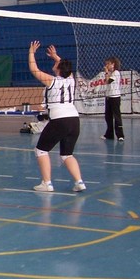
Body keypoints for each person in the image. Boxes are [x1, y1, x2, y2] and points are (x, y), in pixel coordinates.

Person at [28, 41, 86, 193]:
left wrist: (31, 52)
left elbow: (34, 69)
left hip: (60, 120)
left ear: (59, 69)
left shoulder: (52, 81)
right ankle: (79, 182)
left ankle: (47, 183)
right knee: (67, 154)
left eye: (57, 64)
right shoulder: (71, 79)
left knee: (41, 150)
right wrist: (55, 56)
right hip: (74, 120)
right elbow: (66, 68)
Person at [102, 56, 125, 141]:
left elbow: (108, 81)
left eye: (108, 64)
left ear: (113, 64)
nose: (106, 65)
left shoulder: (116, 73)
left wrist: (106, 72)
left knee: (117, 116)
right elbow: (106, 82)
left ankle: (120, 135)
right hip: (108, 97)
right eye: (106, 64)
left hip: (115, 97)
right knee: (108, 117)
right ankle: (109, 134)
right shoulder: (110, 73)